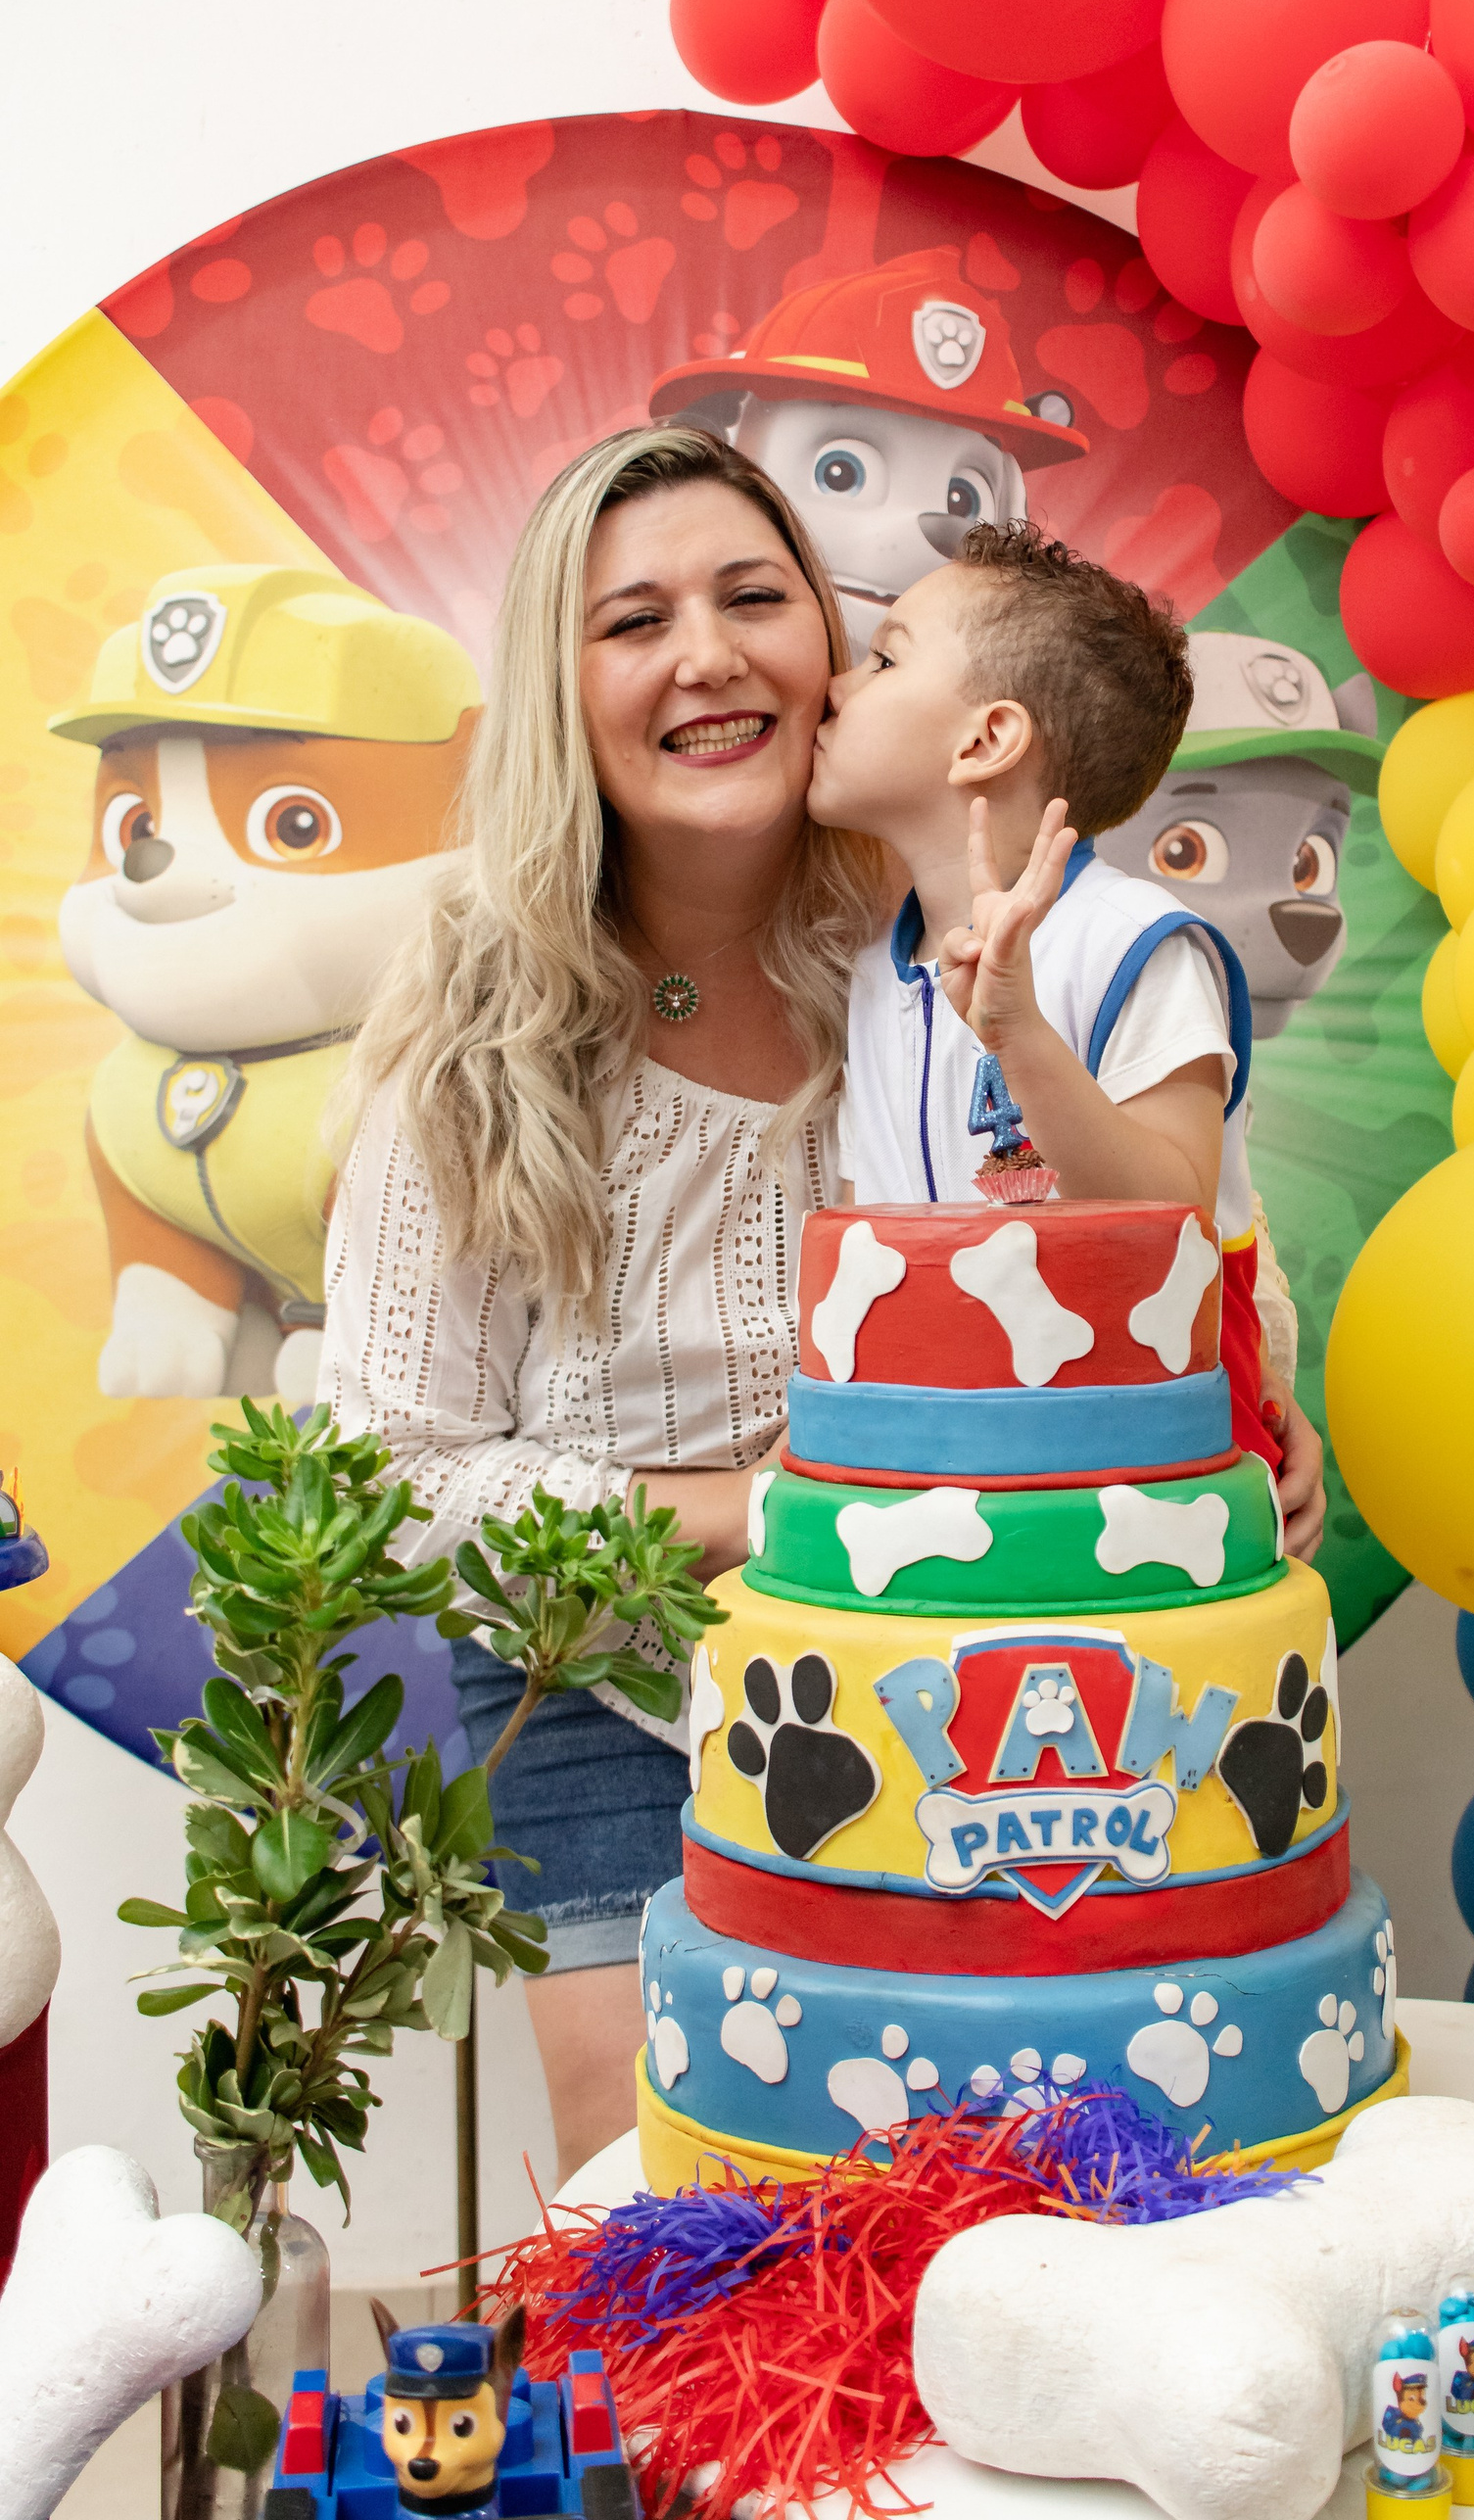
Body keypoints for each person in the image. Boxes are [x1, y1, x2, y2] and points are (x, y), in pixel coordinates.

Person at [320, 423, 884, 2181]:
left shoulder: (938, 948)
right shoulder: (471, 1027)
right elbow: (391, 1477)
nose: (707, 656)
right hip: (604, 1691)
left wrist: (1260, 1409)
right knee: (663, 2199)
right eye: (635, 621)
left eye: (753, 598)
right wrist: (754, 1511)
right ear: (561, 692)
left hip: (938, 1660)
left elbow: (1154, 1223)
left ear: (832, 643)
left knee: (954, 2181)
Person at [807, 519, 1324, 1544]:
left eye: (883, 660)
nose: (834, 685)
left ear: (985, 740)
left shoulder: (1136, 942)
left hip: (1149, 1476)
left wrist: (1021, 1036)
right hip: (947, 1467)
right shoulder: (873, 972)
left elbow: (1172, 1209)